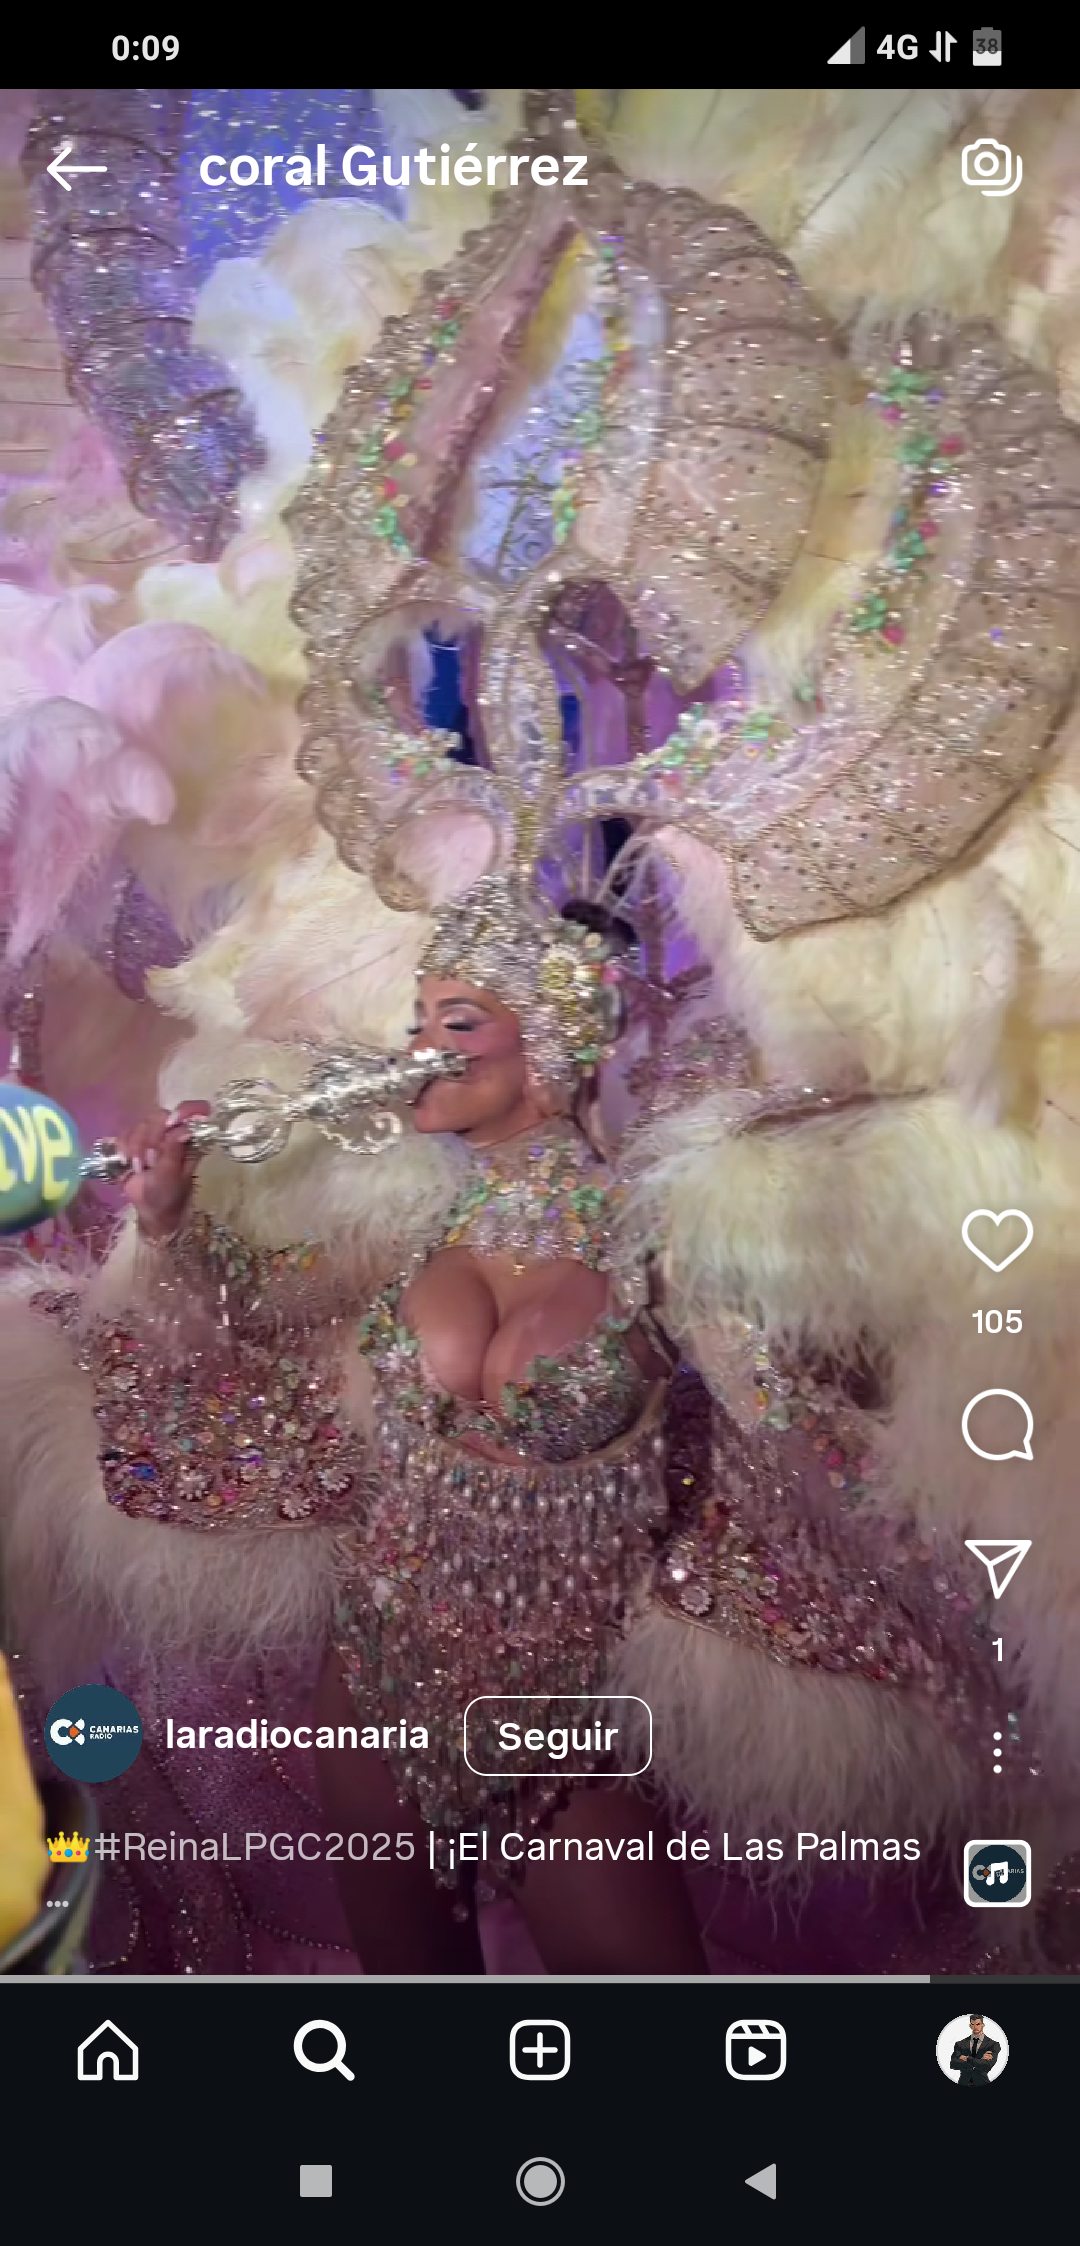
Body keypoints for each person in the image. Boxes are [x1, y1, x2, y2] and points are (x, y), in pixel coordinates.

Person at [4, 90, 1080, 1977]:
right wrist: (165, 1227)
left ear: (554, 1039)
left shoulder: (674, 1237)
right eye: (427, 1013)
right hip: (372, 1707)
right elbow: (242, 1369)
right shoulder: (391, 1215)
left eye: (462, 1019)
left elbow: (829, 1459)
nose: (427, 1042)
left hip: (560, 1747)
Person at [950, 2017, 1000, 2086]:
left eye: (978, 2024)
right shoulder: (960, 2044)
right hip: (963, 2083)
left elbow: (987, 2065)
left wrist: (966, 2058)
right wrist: (979, 2061)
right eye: (972, 2024)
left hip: (982, 2082)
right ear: (970, 2026)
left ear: (983, 2025)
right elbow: (953, 2064)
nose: (975, 2027)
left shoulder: (993, 2044)